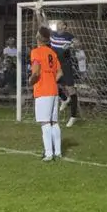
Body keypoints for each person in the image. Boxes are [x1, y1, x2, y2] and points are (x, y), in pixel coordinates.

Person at [30, 26, 63, 161]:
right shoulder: (52, 53)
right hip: (54, 90)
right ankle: (58, 152)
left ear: (38, 37)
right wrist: (51, 80)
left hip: (43, 90)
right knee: (54, 122)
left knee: (45, 123)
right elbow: (60, 72)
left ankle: (49, 153)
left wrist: (31, 80)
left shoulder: (36, 52)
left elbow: (36, 71)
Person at [50, 22, 79, 127]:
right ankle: (64, 99)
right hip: (55, 65)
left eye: (61, 23)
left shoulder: (69, 36)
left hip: (66, 66)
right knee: (51, 84)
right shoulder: (52, 34)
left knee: (70, 89)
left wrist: (72, 44)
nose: (58, 24)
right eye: (58, 23)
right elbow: (42, 24)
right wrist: (38, 12)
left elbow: (78, 43)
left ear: (64, 26)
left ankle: (73, 116)